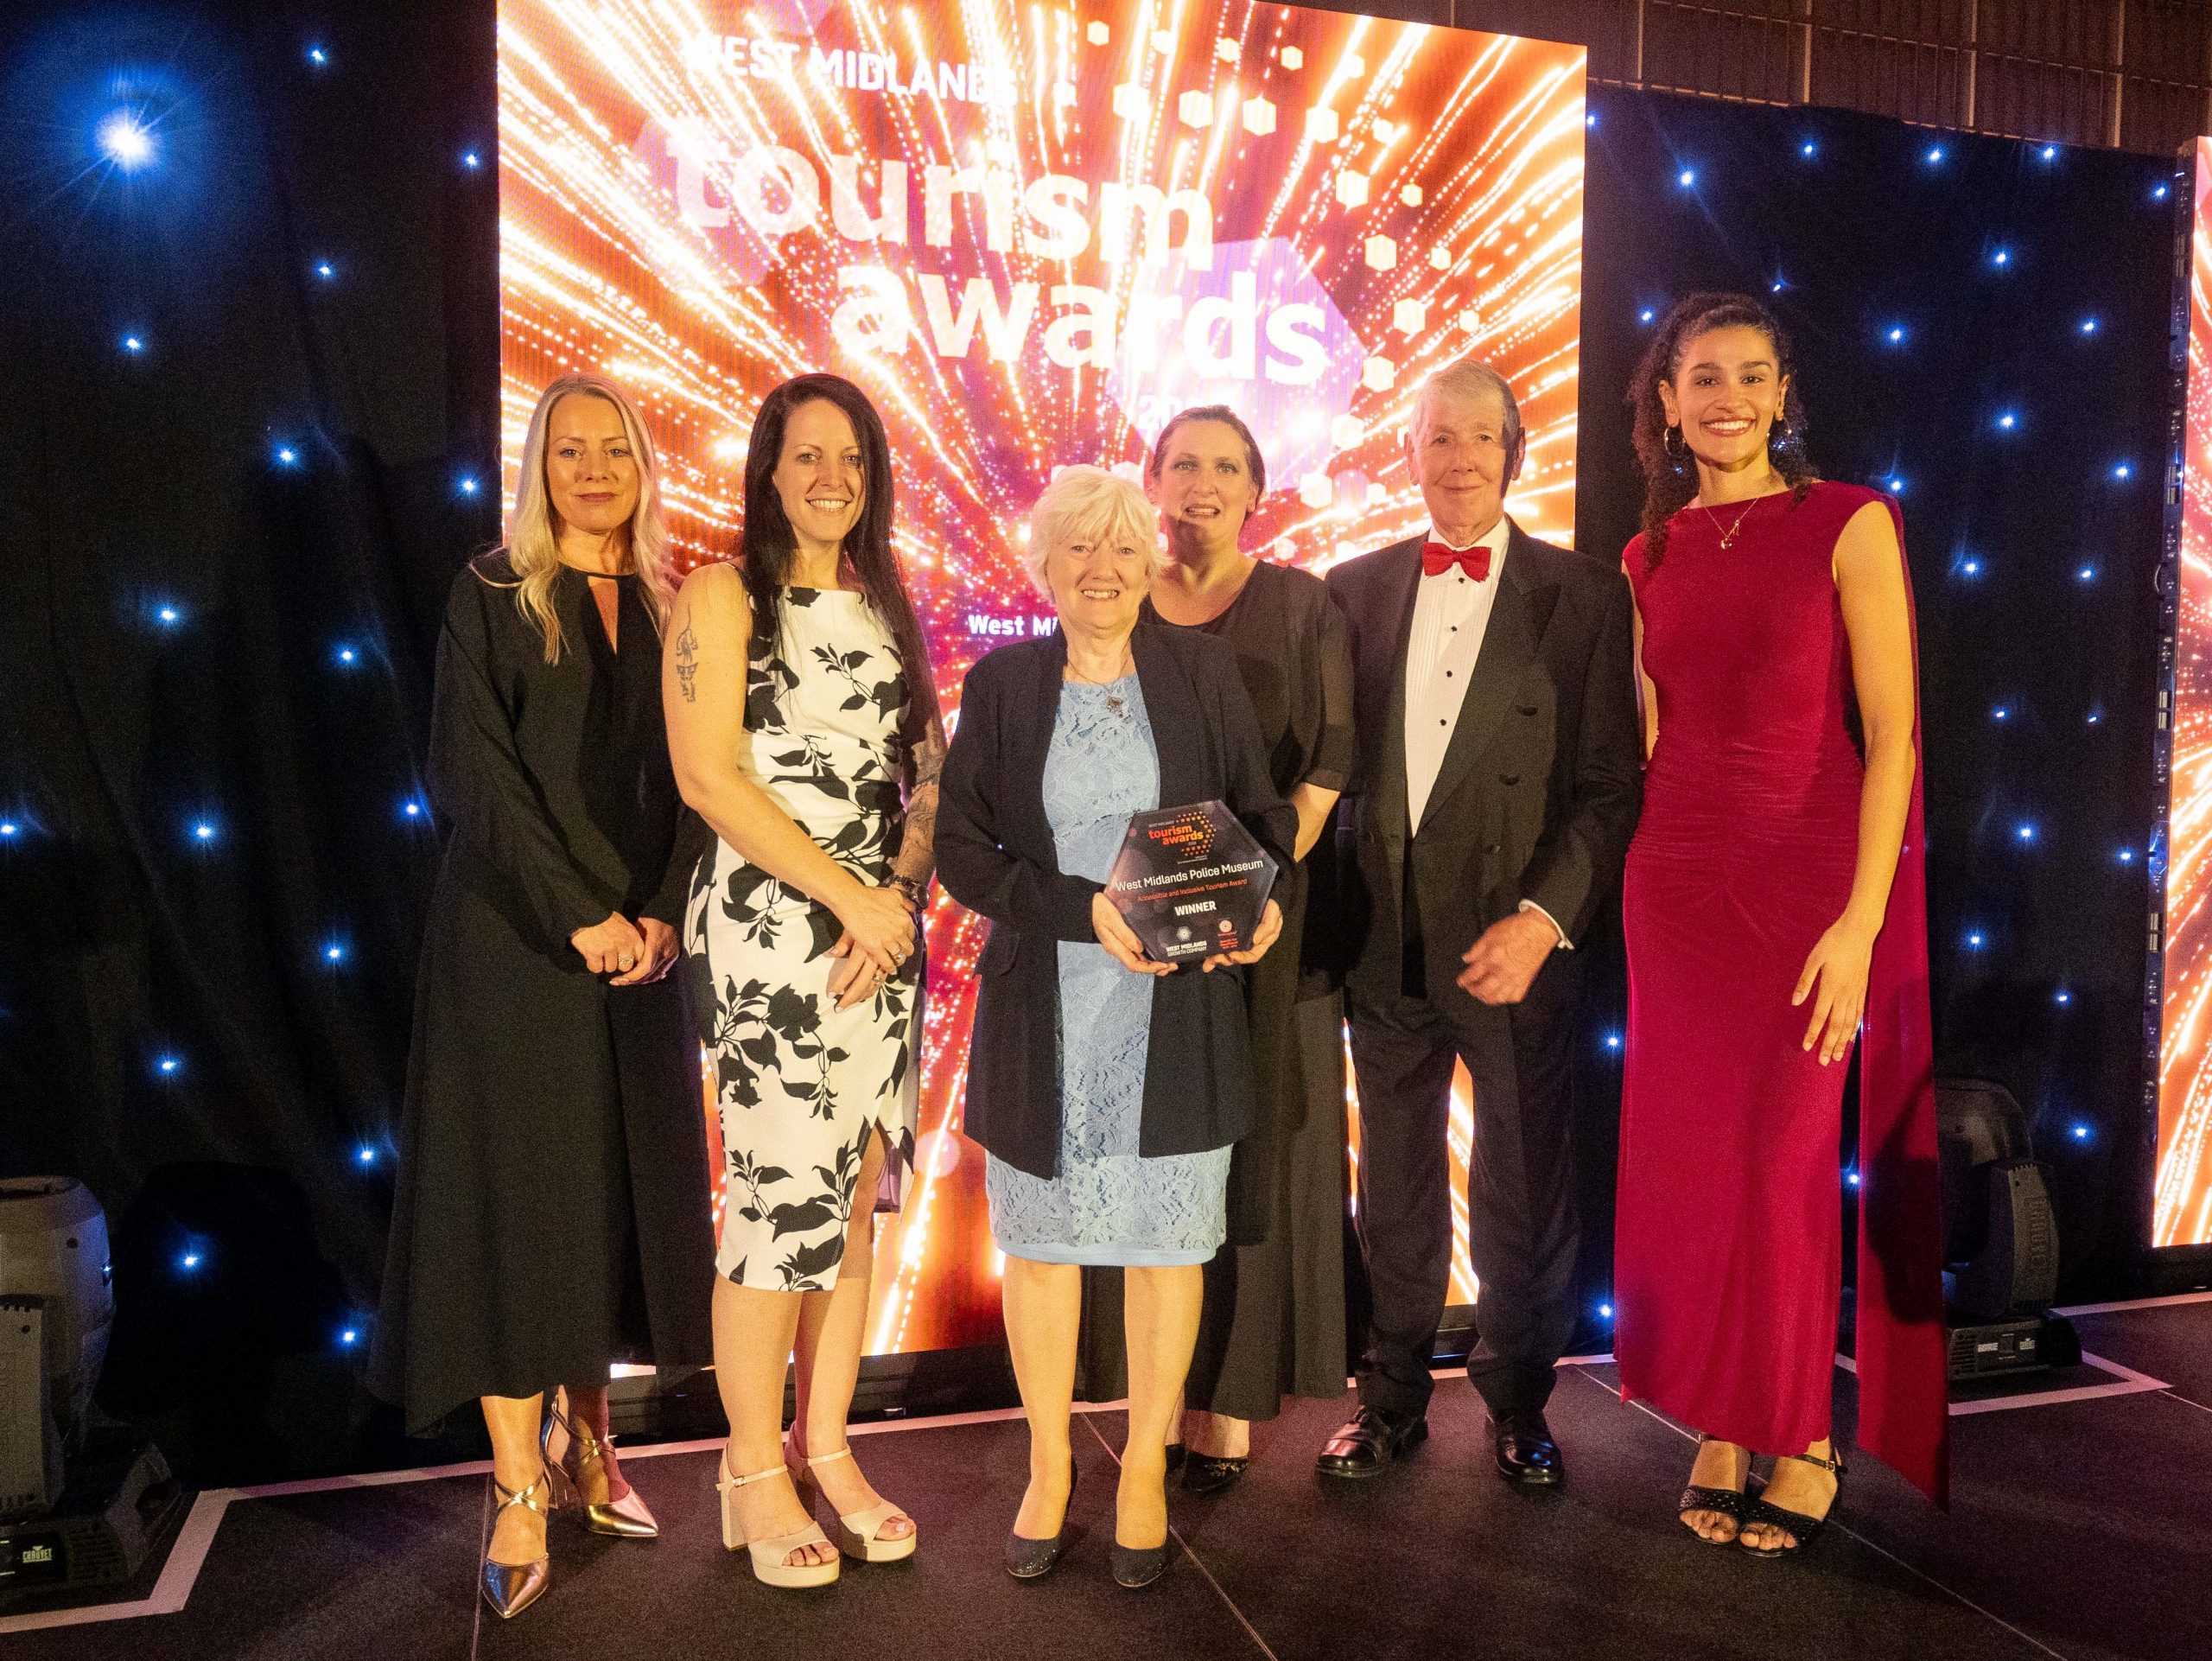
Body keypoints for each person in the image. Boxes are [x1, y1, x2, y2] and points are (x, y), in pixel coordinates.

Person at [372, 373, 715, 1621]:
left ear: (638, 463)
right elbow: (474, 770)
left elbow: (703, 775)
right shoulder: (493, 593)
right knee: (517, 1211)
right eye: (565, 449)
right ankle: (518, 1484)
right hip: (516, 945)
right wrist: (582, 911)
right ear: (537, 465)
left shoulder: (683, 602)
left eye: (609, 447)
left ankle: (593, 1445)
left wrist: (666, 909)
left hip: (641, 952)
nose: (589, 468)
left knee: (607, 1205)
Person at [1614, 293, 1948, 1556]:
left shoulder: (1850, 521)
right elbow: (1649, 740)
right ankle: (1717, 1416)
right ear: (1667, 400)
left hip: (1809, 884)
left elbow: (1894, 735)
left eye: (1751, 376)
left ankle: (1798, 1427)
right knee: (1698, 1166)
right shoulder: (1646, 557)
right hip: (1677, 888)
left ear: (1781, 391)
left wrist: (1861, 919)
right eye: (1703, 377)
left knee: (1786, 1164)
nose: (1728, 399)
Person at [937, 465, 1294, 1588]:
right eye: (1078, 549)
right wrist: (1076, 909)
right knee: (1040, 1254)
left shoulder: (1203, 670)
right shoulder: (1001, 684)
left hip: (1176, 1012)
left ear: (1153, 561)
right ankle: (1049, 1466)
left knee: (1166, 1252)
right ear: (1042, 565)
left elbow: (1262, 812)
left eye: (1123, 547)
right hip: (1045, 1009)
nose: (1102, 568)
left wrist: (1265, 898)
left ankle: (1142, 1466)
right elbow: (962, 851)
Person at [1319, 357, 1643, 1490]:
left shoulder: (1586, 596)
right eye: (1437, 438)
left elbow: (1612, 786)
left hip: (1513, 946)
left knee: (1521, 1187)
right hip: (1384, 939)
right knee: (1393, 1186)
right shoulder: (1349, 590)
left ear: (1516, 453)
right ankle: (1390, 1396)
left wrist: (1545, 920)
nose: (1458, 459)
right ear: (1409, 454)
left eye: (1479, 439)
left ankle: (1519, 1400)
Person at [665, 373, 941, 1589]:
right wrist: (851, 898)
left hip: (882, 931)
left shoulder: (889, 602)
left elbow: (926, 777)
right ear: (769, 468)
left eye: (852, 457)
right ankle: (748, 1473)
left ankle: (826, 1447)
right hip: (777, 925)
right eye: (807, 453)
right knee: (778, 1202)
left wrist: (899, 902)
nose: (831, 475)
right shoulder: (722, 595)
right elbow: (709, 779)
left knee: (858, 1192)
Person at [1072, 408, 1353, 1492]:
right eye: (1182, 462)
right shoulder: (1117, 601)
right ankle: (1150, 1393)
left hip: (1262, 929)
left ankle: (1227, 1404)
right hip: (1131, 934)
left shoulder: (1302, 603)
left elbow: (1327, 765)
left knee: (1251, 1157)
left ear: (1255, 488)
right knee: (1153, 1149)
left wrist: (1245, 892)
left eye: (1225, 465)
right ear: (1151, 480)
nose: (1201, 482)